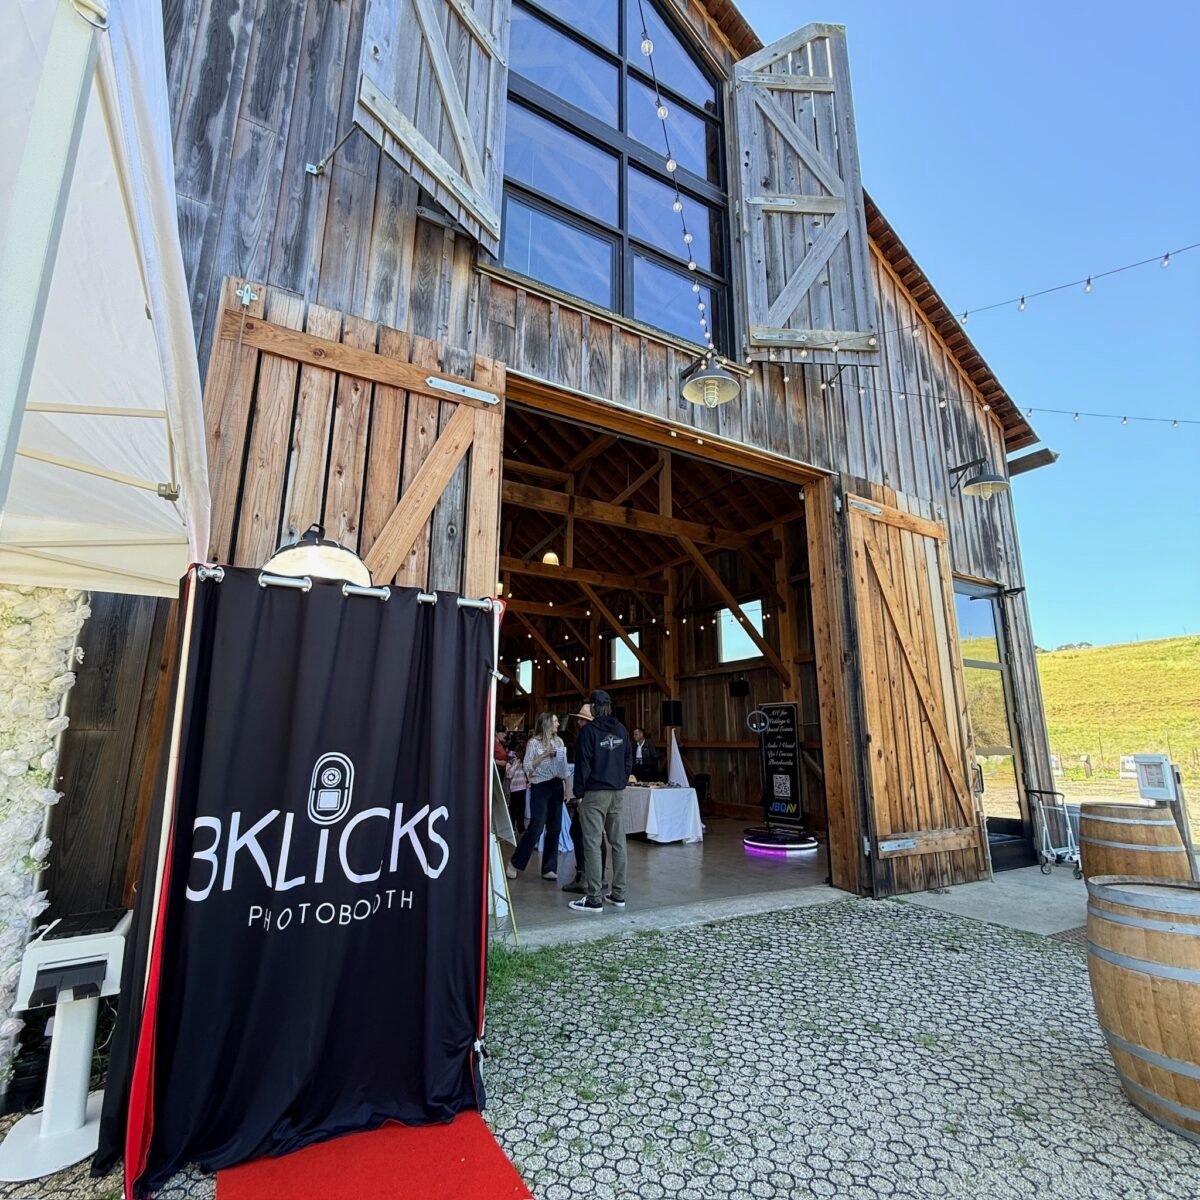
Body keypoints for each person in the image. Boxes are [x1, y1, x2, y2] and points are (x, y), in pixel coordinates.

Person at [568, 691, 632, 915]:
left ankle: (594, 898)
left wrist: (578, 793)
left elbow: (582, 765)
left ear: (594, 707)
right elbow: (628, 760)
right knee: (618, 843)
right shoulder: (622, 730)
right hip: (617, 792)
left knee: (593, 844)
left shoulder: (588, 731)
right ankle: (619, 894)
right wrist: (621, 781)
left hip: (594, 793)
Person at [507, 712, 566, 882]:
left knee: (555, 827)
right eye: (555, 721)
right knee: (536, 827)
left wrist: (566, 785)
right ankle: (515, 863)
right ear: (547, 723)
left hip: (557, 785)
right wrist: (544, 755)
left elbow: (563, 766)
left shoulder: (559, 742)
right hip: (540, 786)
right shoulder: (533, 743)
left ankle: (549, 868)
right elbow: (527, 767)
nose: (558, 724)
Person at [562, 701, 606, 895]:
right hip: (602, 789)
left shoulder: (585, 737)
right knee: (597, 834)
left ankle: (583, 876)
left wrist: (579, 794)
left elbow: (582, 767)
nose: (579, 722)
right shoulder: (603, 736)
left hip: (588, 792)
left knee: (579, 832)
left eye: (582, 719)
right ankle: (600, 876)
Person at [505, 745, 528, 836]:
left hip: (522, 789)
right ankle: (512, 828)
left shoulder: (523, 763)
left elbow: (526, 774)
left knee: (521, 809)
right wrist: (515, 764)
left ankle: (521, 828)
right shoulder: (509, 764)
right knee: (513, 810)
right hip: (513, 790)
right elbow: (509, 775)